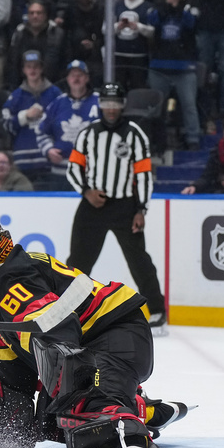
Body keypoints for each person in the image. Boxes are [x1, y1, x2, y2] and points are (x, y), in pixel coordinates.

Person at [0, 212, 186, 448]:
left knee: (83, 396)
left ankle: (127, 443)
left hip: (117, 331)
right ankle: (142, 409)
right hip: (95, 341)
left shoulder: (13, 277)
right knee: (53, 422)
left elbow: (58, 329)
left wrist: (71, 389)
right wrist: (8, 431)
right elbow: (12, 377)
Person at [66, 83, 167, 329]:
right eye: (107, 103)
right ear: (100, 105)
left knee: (139, 260)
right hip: (92, 205)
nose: (111, 109)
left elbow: (143, 175)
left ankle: (156, 310)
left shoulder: (135, 134)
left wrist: (141, 209)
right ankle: (66, 309)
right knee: (78, 261)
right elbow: (73, 169)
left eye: (116, 103)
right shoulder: (88, 134)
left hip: (125, 207)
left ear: (123, 105)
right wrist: (86, 192)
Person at [3, 49, 63, 186]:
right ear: (23, 70)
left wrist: (46, 119)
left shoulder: (55, 94)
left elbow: (63, 125)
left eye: (36, 66)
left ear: (42, 68)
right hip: (23, 163)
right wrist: (25, 116)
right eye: (29, 67)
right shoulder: (16, 96)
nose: (32, 70)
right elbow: (6, 125)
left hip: (49, 161)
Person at [43, 60, 99, 189]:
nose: (76, 78)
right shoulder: (57, 103)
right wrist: (48, 149)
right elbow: (42, 131)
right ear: (67, 79)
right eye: (73, 75)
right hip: (61, 173)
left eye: (80, 75)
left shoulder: (99, 101)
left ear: (87, 78)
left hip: (91, 172)